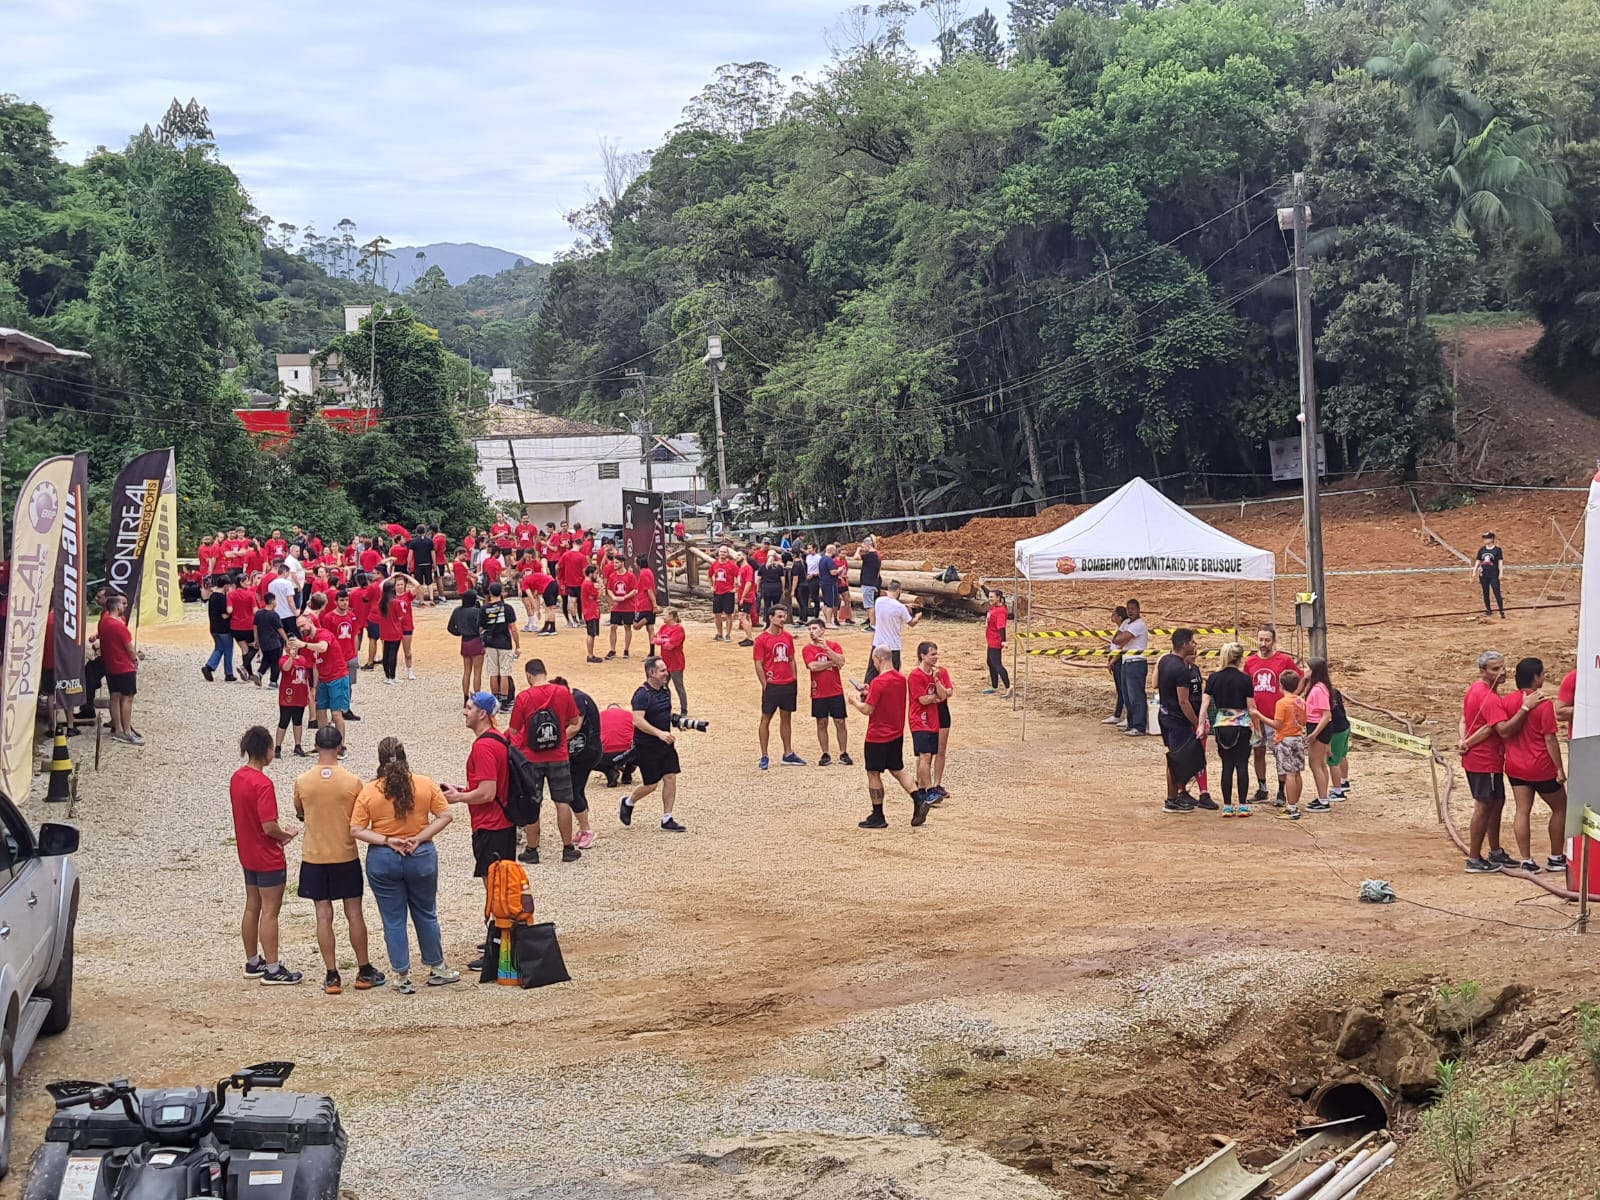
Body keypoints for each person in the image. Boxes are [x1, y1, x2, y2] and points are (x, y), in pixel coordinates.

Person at [351, 736, 458, 994]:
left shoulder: (370, 791)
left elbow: (356, 829)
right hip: (419, 854)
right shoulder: (424, 784)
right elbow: (445, 815)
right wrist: (419, 838)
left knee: (393, 919)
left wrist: (387, 840)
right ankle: (437, 966)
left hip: (384, 857)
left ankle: (401, 974)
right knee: (426, 912)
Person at [294, 725, 382, 995]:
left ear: (317, 746)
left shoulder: (303, 781)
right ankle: (364, 968)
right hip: (345, 853)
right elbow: (361, 815)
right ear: (340, 745)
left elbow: (299, 811)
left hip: (315, 854)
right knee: (354, 912)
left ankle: (332, 974)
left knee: (323, 915)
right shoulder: (353, 781)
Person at [442, 694, 519, 964]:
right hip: (501, 824)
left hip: (492, 825)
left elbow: (487, 793)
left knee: (496, 889)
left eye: (470, 707)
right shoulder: (497, 739)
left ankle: (499, 950)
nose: (465, 712)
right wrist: (462, 790)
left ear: (483, 713)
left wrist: (458, 798)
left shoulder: (483, 747)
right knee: (500, 887)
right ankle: (498, 937)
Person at [230, 726, 301, 985]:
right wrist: (286, 835)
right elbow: (269, 825)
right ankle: (272, 968)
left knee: (252, 906)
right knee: (270, 911)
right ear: (266, 751)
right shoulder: (263, 783)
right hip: (267, 854)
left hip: (247, 851)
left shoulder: (238, 777)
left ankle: (252, 961)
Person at [1493, 658, 1568, 874]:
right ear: (1536, 677)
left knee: (1522, 810)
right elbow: (1550, 739)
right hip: (1541, 767)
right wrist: (1560, 769)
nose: (1544, 677)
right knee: (1560, 807)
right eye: (1543, 674)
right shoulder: (1543, 704)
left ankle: (1526, 860)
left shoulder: (1506, 702)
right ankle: (1556, 857)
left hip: (1516, 767)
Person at [507, 659, 583, 863]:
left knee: (533, 803)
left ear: (529, 675)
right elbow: (574, 721)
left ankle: (532, 850)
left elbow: (514, 729)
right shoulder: (561, 692)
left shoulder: (524, 697)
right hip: (558, 754)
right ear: (544, 672)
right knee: (562, 802)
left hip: (531, 758)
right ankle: (567, 848)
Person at [848, 647, 932, 829]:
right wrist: (870, 691)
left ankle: (878, 815)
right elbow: (886, 697)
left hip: (877, 735)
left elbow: (868, 710)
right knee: (897, 768)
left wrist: (855, 701)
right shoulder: (901, 679)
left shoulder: (879, 682)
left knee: (873, 772)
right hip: (896, 733)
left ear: (878, 659)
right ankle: (918, 800)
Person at [621, 657, 687, 831]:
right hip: (647, 745)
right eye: (662, 671)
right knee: (651, 785)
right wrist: (659, 733)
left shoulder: (665, 690)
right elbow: (638, 721)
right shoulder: (642, 694)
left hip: (665, 743)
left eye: (666, 670)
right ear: (651, 673)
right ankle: (629, 802)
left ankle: (667, 818)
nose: (667, 673)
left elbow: (665, 713)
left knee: (671, 777)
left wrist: (678, 722)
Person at [1156, 629, 1212, 812]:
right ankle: (1172, 799)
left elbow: (1155, 683)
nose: (1195, 645)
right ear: (1184, 644)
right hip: (1177, 721)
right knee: (1177, 759)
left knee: (1174, 757)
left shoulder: (1165, 660)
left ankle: (1176, 796)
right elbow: (1183, 701)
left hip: (1165, 715)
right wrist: (1197, 723)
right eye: (1192, 641)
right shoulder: (1180, 669)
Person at [1244, 625, 1296, 804]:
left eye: (1267, 640)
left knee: (1279, 753)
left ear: (1274, 641)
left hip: (1277, 718)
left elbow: (1299, 677)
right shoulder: (1250, 662)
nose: (1263, 644)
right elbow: (1246, 686)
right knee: (1258, 751)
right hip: (1256, 717)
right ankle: (1262, 787)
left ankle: (1282, 791)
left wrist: (1296, 699)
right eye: (1261, 640)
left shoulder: (1284, 660)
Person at [1205, 642, 1258, 817]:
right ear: (1240, 658)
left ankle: (1227, 806)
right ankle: (1243, 805)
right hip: (1241, 724)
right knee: (1242, 764)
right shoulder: (1244, 679)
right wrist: (1257, 728)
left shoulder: (1214, 677)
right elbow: (1251, 707)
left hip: (1221, 724)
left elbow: (1205, 704)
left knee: (1226, 766)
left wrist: (1200, 723)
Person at [754, 605, 805, 769]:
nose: (783, 619)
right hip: (772, 684)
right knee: (765, 718)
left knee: (786, 717)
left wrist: (794, 677)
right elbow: (758, 663)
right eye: (780, 616)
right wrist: (764, 684)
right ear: (771, 617)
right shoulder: (762, 639)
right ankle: (764, 754)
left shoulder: (788, 637)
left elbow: (791, 658)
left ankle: (788, 752)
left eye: (784, 616)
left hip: (787, 683)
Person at [557, 676, 601, 849]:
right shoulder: (574, 698)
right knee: (577, 789)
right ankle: (583, 829)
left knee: (573, 791)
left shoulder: (577, 699)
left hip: (586, 752)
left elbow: (575, 727)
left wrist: (556, 742)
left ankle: (587, 830)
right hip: (581, 751)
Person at [803, 618, 851, 766]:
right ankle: (825, 753)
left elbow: (841, 662)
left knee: (840, 722)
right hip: (819, 691)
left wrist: (828, 651)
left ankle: (843, 752)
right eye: (810, 629)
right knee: (821, 722)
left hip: (835, 690)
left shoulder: (834, 645)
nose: (812, 632)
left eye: (815, 628)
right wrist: (831, 663)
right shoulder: (807, 649)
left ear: (822, 630)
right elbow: (813, 666)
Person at [1262, 669, 1307, 820]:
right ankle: (1294, 803)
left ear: (1280, 686)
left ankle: (1291, 807)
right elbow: (1303, 721)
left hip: (1285, 739)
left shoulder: (1281, 703)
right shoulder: (1301, 701)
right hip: (1298, 737)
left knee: (1289, 774)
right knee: (1297, 772)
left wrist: (1260, 716)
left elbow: (1277, 724)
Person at [97, 594, 142, 745]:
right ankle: (127, 731)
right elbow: (129, 649)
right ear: (117, 607)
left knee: (114, 697)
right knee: (128, 698)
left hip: (110, 665)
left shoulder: (104, 622)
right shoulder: (119, 626)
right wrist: (135, 658)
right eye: (122, 604)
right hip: (123, 666)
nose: (124, 607)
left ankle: (118, 728)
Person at [907, 641, 944, 799]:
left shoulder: (935, 674)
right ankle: (929, 790)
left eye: (936, 653)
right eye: (932, 654)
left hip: (932, 720)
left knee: (929, 756)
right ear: (922, 656)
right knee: (925, 755)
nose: (936, 657)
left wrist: (936, 681)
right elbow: (923, 699)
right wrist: (934, 697)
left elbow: (943, 696)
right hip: (919, 720)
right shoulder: (915, 675)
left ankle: (922, 789)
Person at [322, 588, 363, 722]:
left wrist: (355, 652)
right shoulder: (329, 617)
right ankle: (335, 711)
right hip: (336, 657)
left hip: (350, 655)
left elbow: (355, 634)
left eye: (346, 600)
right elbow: (326, 638)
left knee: (348, 684)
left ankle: (346, 709)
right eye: (342, 600)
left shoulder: (352, 616)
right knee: (335, 684)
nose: (345, 603)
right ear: (336, 602)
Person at [1303, 658, 1338, 813]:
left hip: (1318, 727)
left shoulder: (1318, 689)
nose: (1304, 670)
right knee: (1321, 764)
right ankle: (1322, 796)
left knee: (1316, 764)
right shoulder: (1317, 687)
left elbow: (1326, 715)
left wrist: (1314, 734)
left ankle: (1323, 800)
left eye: (1306, 668)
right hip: (1317, 726)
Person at [1111, 599, 1149, 736]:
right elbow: (1115, 639)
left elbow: (1120, 639)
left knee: (1136, 695)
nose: (1130, 611)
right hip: (1126, 661)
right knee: (1127, 695)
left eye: (1133, 608)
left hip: (1136, 661)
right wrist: (1122, 636)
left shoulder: (1139, 624)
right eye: (1128, 609)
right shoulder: (1127, 623)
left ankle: (1139, 726)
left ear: (1139, 609)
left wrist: (1122, 636)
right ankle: (1131, 723)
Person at [868, 581, 920, 681]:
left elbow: (891, 606)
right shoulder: (900, 607)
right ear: (898, 591)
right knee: (892, 675)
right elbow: (911, 623)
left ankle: (866, 694)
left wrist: (905, 606)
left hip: (878, 643)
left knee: (872, 673)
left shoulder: (879, 601)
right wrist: (918, 617)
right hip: (892, 646)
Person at [479, 582, 521, 705]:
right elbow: (513, 628)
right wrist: (517, 645)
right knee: (505, 672)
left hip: (490, 642)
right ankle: (505, 700)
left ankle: (495, 699)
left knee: (493, 672)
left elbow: (480, 628)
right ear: (501, 592)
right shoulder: (507, 608)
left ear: (490, 593)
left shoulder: (484, 609)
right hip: (504, 641)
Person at [276, 632, 315, 759]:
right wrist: (291, 657)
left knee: (298, 721)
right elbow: (286, 669)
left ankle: (298, 745)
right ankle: (278, 746)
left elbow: (306, 677)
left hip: (300, 695)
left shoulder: (303, 660)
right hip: (288, 695)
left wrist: (308, 693)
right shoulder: (283, 659)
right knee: (284, 721)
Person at [448, 589, 486, 703]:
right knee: (477, 672)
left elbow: (450, 628)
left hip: (465, 641)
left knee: (466, 672)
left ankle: (465, 697)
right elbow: (482, 626)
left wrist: (460, 632)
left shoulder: (457, 611)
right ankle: (477, 697)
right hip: (476, 641)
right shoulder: (476, 612)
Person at [652, 607, 689, 714]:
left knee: (679, 686)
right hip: (665, 661)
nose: (663, 617)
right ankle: (665, 706)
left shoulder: (678, 629)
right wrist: (664, 640)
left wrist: (662, 641)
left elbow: (670, 645)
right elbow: (655, 639)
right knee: (662, 685)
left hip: (676, 662)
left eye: (665, 615)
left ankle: (684, 709)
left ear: (671, 616)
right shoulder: (664, 627)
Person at [202, 574, 237, 682]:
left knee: (219, 648)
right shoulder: (222, 598)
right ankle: (228, 673)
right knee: (227, 650)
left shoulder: (212, 596)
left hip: (214, 627)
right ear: (225, 585)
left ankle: (210, 666)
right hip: (224, 628)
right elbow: (224, 615)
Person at [606, 556, 639, 659]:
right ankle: (612, 649)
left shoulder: (630, 576)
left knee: (627, 627)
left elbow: (635, 590)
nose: (614, 565)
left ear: (622, 563)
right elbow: (609, 589)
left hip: (628, 606)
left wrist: (625, 597)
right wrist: (613, 597)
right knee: (613, 627)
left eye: (616, 563)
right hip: (616, 607)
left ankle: (626, 649)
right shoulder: (612, 576)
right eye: (614, 563)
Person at [1101, 605, 1128, 726]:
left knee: (1124, 690)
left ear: (1120, 616)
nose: (1111, 616)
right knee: (1120, 690)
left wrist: (1113, 660)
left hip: (1120, 660)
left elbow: (1122, 646)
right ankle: (1118, 714)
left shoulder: (1125, 626)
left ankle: (1125, 716)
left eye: (1113, 613)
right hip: (1116, 659)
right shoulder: (1121, 627)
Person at [599, 703, 636, 787]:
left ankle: (609, 771)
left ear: (608, 709)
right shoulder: (629, 714)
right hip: (627, 752)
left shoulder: (600, 715)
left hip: (605, 754)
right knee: (635, 750)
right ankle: (627, 772)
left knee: (590, 759)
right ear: (620, 709)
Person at [982, 590, 1011, 698]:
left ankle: (1008, 687)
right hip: (990, 639)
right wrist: (982, 586)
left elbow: (1001, 627)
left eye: (992, 597)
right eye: (989, 597)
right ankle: (994, 687)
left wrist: (1003, 640)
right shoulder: (995, 606)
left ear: (998, 598)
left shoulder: (1000, 612)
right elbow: (989, 594)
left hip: (995, 640)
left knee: (997, 664)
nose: (990, 599)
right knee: (990, 662)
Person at [710, 547, 739, 642]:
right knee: (717, 614)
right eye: (721, 551)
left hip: (728, 592)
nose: (722, 553)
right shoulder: (715, 563)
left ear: (727, 553)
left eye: (724, 552)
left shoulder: (732, 564)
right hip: (717, 592)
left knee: (728, 614)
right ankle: (719, 633)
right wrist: (711, 586)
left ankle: (728, 634)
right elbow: (709, 575)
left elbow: (739, 576)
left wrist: (736, 588)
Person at [1475, 531, 1505, 619]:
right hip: (1484, 574)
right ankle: (1488, 609)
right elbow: (1478, 560)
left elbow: (1500, 561)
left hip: (1494, 573)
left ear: (1492, 539)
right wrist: (1475, 570)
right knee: (1485, 592)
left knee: (1496, 592)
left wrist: (1501, 572)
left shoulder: (1497, 550)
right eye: (1484, 538)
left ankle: (1501, 610)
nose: (1485, 540)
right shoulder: (1482, 550)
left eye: (1487, 538)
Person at [558, 540, 588, 628]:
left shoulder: (565, 555)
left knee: (572, 601)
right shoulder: (582, 557)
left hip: (569, 581)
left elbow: (559, 566)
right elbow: (584, 571)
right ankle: (580, 618)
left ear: (574, 544)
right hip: (580, 582)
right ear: (581, 546)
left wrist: (561, 578)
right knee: (580, 601)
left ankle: (574, 620)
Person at [580, 564, 603, 664]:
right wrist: (601, 587)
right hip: (591, 611)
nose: (596, 575)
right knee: (591, 634)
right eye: (595, 573)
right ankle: (590, 654)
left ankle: (591, 654)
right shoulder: (588, 584)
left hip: (590, 611)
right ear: (590, 574)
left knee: (592, 634)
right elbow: (598, 595)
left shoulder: (587, 583)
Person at [858, 537, 882, 631]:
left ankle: (872, 625)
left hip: (868, 583)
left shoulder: (870, 555)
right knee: (871, 604)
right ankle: (873, 624)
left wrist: (858, 550)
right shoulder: (876, 554)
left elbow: (856, 557)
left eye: (863, 546)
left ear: (868, 545)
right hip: (873, 582)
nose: (862, 548)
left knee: (869, 605)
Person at [758, 551, 786, 624]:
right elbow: (782, 579)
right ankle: (777, 622)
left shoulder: (763, 567)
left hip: (766, 588)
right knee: (776, 606)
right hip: (777, 588)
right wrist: (782, 589)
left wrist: (758, 588)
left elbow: (759, 579)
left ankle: (768, 623)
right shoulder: (779, 567)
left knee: (767, 606)